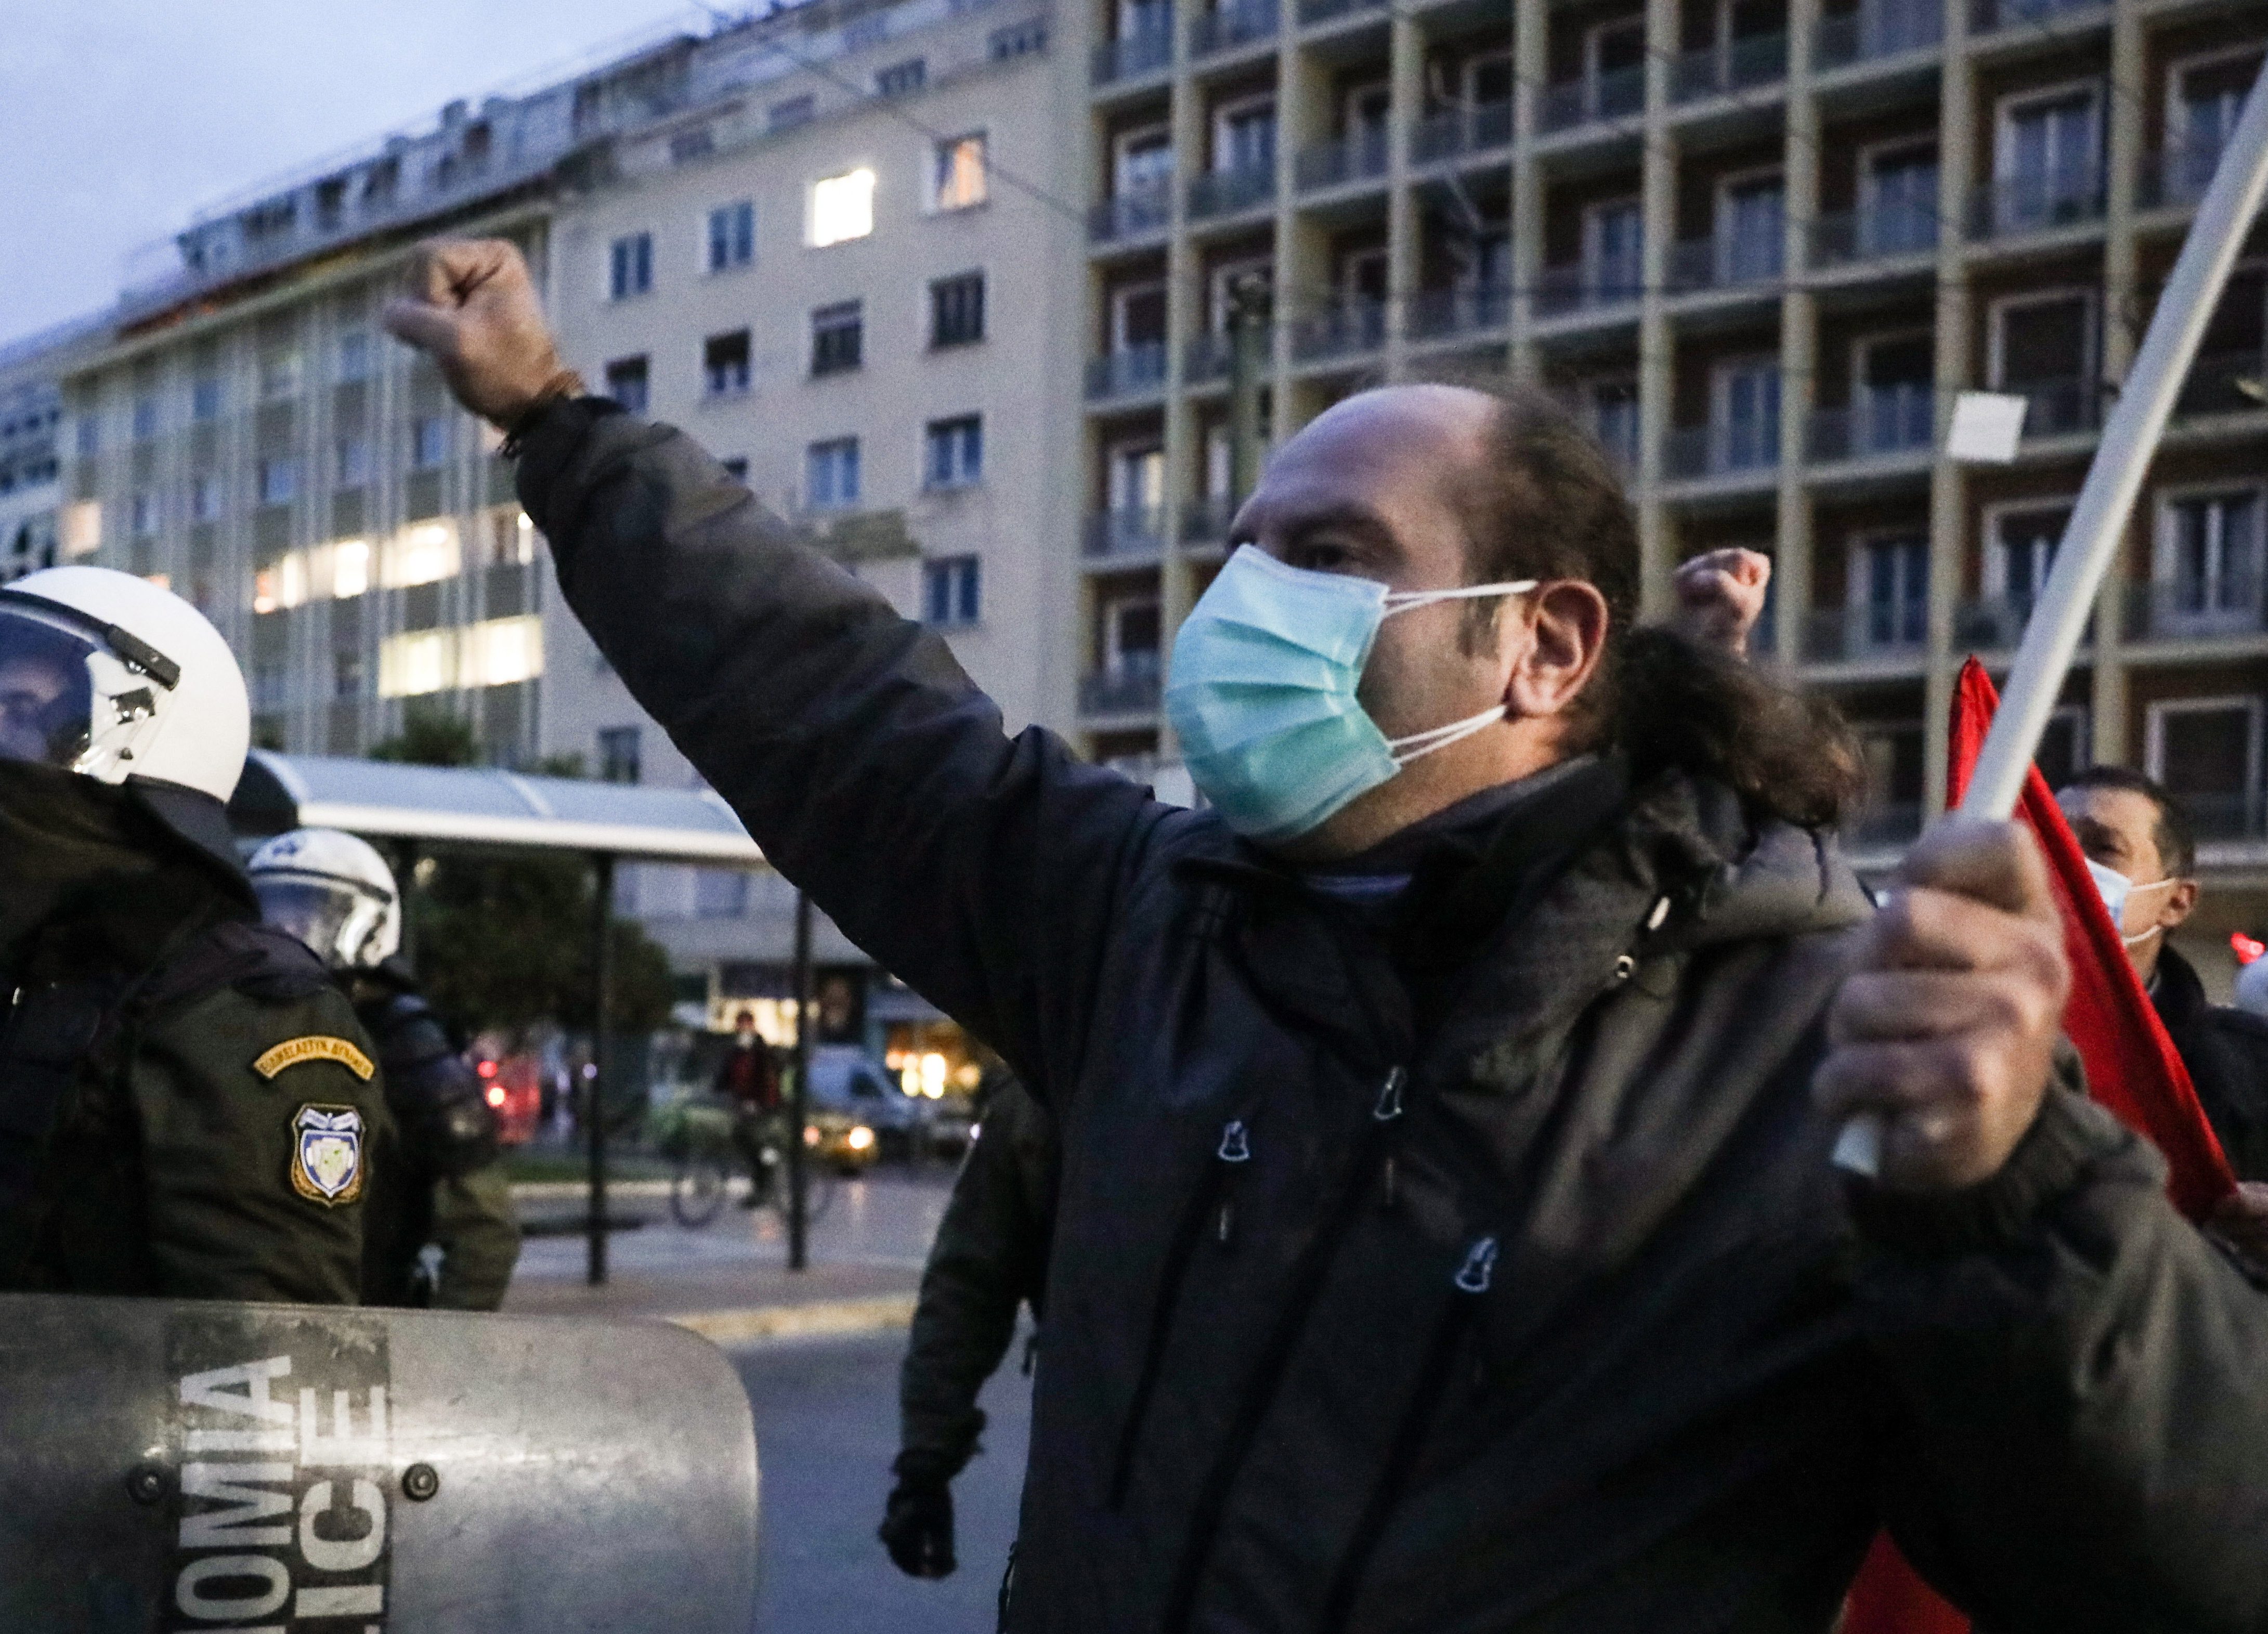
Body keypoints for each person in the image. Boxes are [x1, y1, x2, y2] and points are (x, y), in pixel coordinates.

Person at [391, 239, 2268, 1633]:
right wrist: (559, 419)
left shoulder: (1816, 1049)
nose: (1240, 603)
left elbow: (2182, 1548)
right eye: (1242, 549)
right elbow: (835, 701)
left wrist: (2013, 1199)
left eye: (1329, 554)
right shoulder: (1140, 918)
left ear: (1539, 644)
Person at [877, 559, 1770, 1583]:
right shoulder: (1102, 1021)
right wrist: (926, 1452)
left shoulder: (1442, 1005)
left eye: (1329, 550)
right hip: (1121, 1544)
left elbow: (1623, 899)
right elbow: (975, 1267)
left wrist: (1704, 663)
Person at [0, 567, 393, 1303]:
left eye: (24, 711)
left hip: (112, 1419)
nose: (4, 740)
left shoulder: (244, 1008)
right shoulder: (41, 965)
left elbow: (271, 1357)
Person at [248, 826, 521, 1309]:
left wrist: (432, 1356)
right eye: (272, 912)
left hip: (364, 1332)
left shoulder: (404, 1043)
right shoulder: (235, 1021)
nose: (286, 933)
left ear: (370, 923)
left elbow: (486, 1228)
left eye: (309, 915)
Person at [2055, 765, 2268, 1252]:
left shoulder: (2254, 1067)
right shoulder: (1961, 1043)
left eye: (2103, 848)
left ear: (2176, 901)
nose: (2065, 862)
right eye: (2051, 840)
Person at [881, 1067, 1058, 1578]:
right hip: (1092, 1462)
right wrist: (925, 1464)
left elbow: (968, 1279)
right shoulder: (1049, 1083)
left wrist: (926, 1461)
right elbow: (970, 1281)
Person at [714, 1008, 784, 1205]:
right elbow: (725, 1076)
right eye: (740, 1025)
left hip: (765, 1105)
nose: (743, 1029)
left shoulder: (761, 1050)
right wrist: (715, 1091)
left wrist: (756, 1102)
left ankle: (766, 1181)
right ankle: (761, 1178)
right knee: (741, 1137)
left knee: (759, 1144)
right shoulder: (735, 1051)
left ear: (752, 1026)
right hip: (745, 1106)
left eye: (746, 1024)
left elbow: (765, 1079)